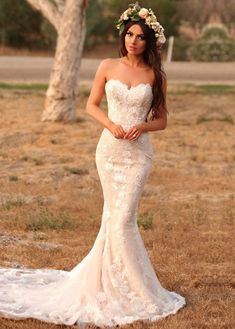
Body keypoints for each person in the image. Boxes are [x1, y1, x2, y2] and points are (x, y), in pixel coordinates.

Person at [0, 2, 186, 327]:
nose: (133, 41)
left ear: (150, 42)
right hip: (110, 151)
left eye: (141, 37)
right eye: (129, 34)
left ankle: (134, 289)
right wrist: (112, 126)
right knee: (112, 218)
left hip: (139, 155)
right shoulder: (107, 65)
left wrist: (142, 126)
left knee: (124, 219)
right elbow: (91, 104)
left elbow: (163, 121)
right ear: (123, 35)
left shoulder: (155, 76)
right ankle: (106, 284)